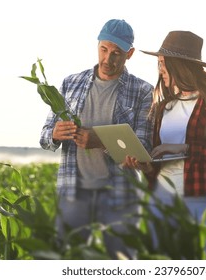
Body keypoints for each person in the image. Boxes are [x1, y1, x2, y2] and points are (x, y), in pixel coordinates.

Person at [39, 19, 154, 259]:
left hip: (121, 194)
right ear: (98, 45)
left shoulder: (143, 91)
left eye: (116, 54)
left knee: (123, 261)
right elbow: (45, 134)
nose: (108, 59)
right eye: (104, 49)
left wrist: (100, 140)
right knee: (66, 260)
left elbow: (143, 148)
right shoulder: (71, 84)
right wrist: (54, 134)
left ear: (129, 54)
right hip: (74, 191)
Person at [124, 31, 206, 259]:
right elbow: (158, 164)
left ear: (178, 65)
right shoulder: (163, 106)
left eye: (162, 63)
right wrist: (145, 166)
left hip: (200, 197)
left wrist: (185, 149)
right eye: (158, 64)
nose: (160, 70)